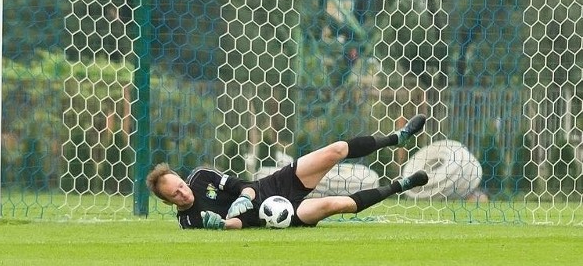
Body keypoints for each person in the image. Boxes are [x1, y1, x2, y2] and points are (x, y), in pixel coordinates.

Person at [146, 114, 430, 230]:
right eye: (176, 194)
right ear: (168, 201)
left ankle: (397, 138)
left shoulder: (200, 177)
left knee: (335, 150)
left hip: (271, 186)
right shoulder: (188, 221)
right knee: (338, 204)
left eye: (181, 185)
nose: (183, 192)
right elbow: (239, 226)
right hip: (274, 215)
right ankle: (400, 185)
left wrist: (244, 197)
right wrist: (222, 224)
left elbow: (243, 185)